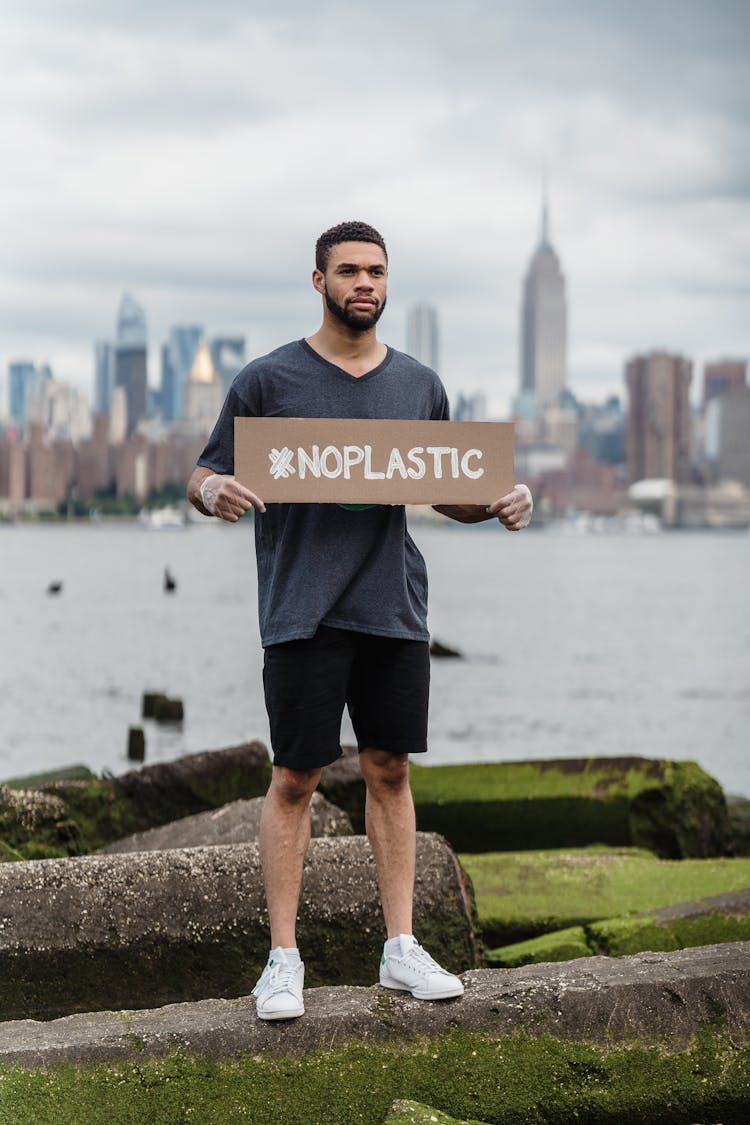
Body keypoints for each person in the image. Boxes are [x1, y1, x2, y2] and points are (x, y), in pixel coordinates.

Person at [187, 220, 533, 1021]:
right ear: (320, 282)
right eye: (349, 271)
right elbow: (206, 470)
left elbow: (447, 485)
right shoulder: (267, 380)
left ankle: (400, 948)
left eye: (376, 271)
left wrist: (498, 503)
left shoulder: (419, 384)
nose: (365, 284)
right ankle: (282, 960)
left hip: (391, 605)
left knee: (391, 770)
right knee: (294, 779)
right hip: (301, 607)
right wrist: (215, 493)